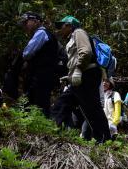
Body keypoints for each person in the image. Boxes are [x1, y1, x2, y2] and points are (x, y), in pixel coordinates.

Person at [55, 15, 110, 143]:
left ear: (69, 25)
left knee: (92, 107)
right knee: (63, 103)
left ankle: (104, 139)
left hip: (87, 74)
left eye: (61, 26)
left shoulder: (78, 32)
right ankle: (52, 130)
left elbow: (86, 52)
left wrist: (78, 69)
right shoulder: (72, 37)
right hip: (80, 76)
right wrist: (70, 75)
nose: (59, 29)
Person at [19, 12, 60, 116]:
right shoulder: (47, 34)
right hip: (44, 76)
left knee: (37, 104)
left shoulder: (41, 33)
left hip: (40, 77)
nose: (24, 25)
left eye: (26, 22)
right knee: (39, 104)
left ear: (36, 21)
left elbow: (27, 53)